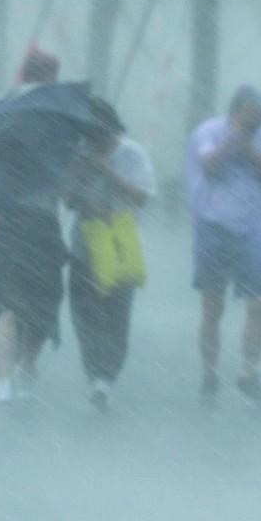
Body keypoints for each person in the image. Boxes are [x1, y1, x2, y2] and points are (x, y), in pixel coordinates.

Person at [187, 86, 261, 405]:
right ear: (234, 113)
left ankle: (249, 371)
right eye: (250, 121)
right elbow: (207, 166)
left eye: (260, 121)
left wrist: (253, 152)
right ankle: (209, 372)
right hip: (213, 226)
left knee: (258, 303)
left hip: (253, 229)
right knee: (212, 306)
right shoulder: (208, 131)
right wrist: (233, 140)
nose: (256, 127)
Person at [0, 45, 68, 403]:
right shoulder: (60, 119)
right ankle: (25, 367)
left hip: (2, 223)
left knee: (5, 301)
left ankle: (2, 376)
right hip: (42, 222)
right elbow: (66, 175)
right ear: (51, 77)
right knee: (42, 299)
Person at [62, 99, 155, 412]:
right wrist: (83, 190)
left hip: (121, 243)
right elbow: (69, 197)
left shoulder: (132, 153)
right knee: (85, 312)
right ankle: (94, 373)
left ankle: (107, 375)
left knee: (117, 314)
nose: (94, 140)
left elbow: (143, 197)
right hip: (84, 242)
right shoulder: (77, 153)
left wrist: (108, 171)